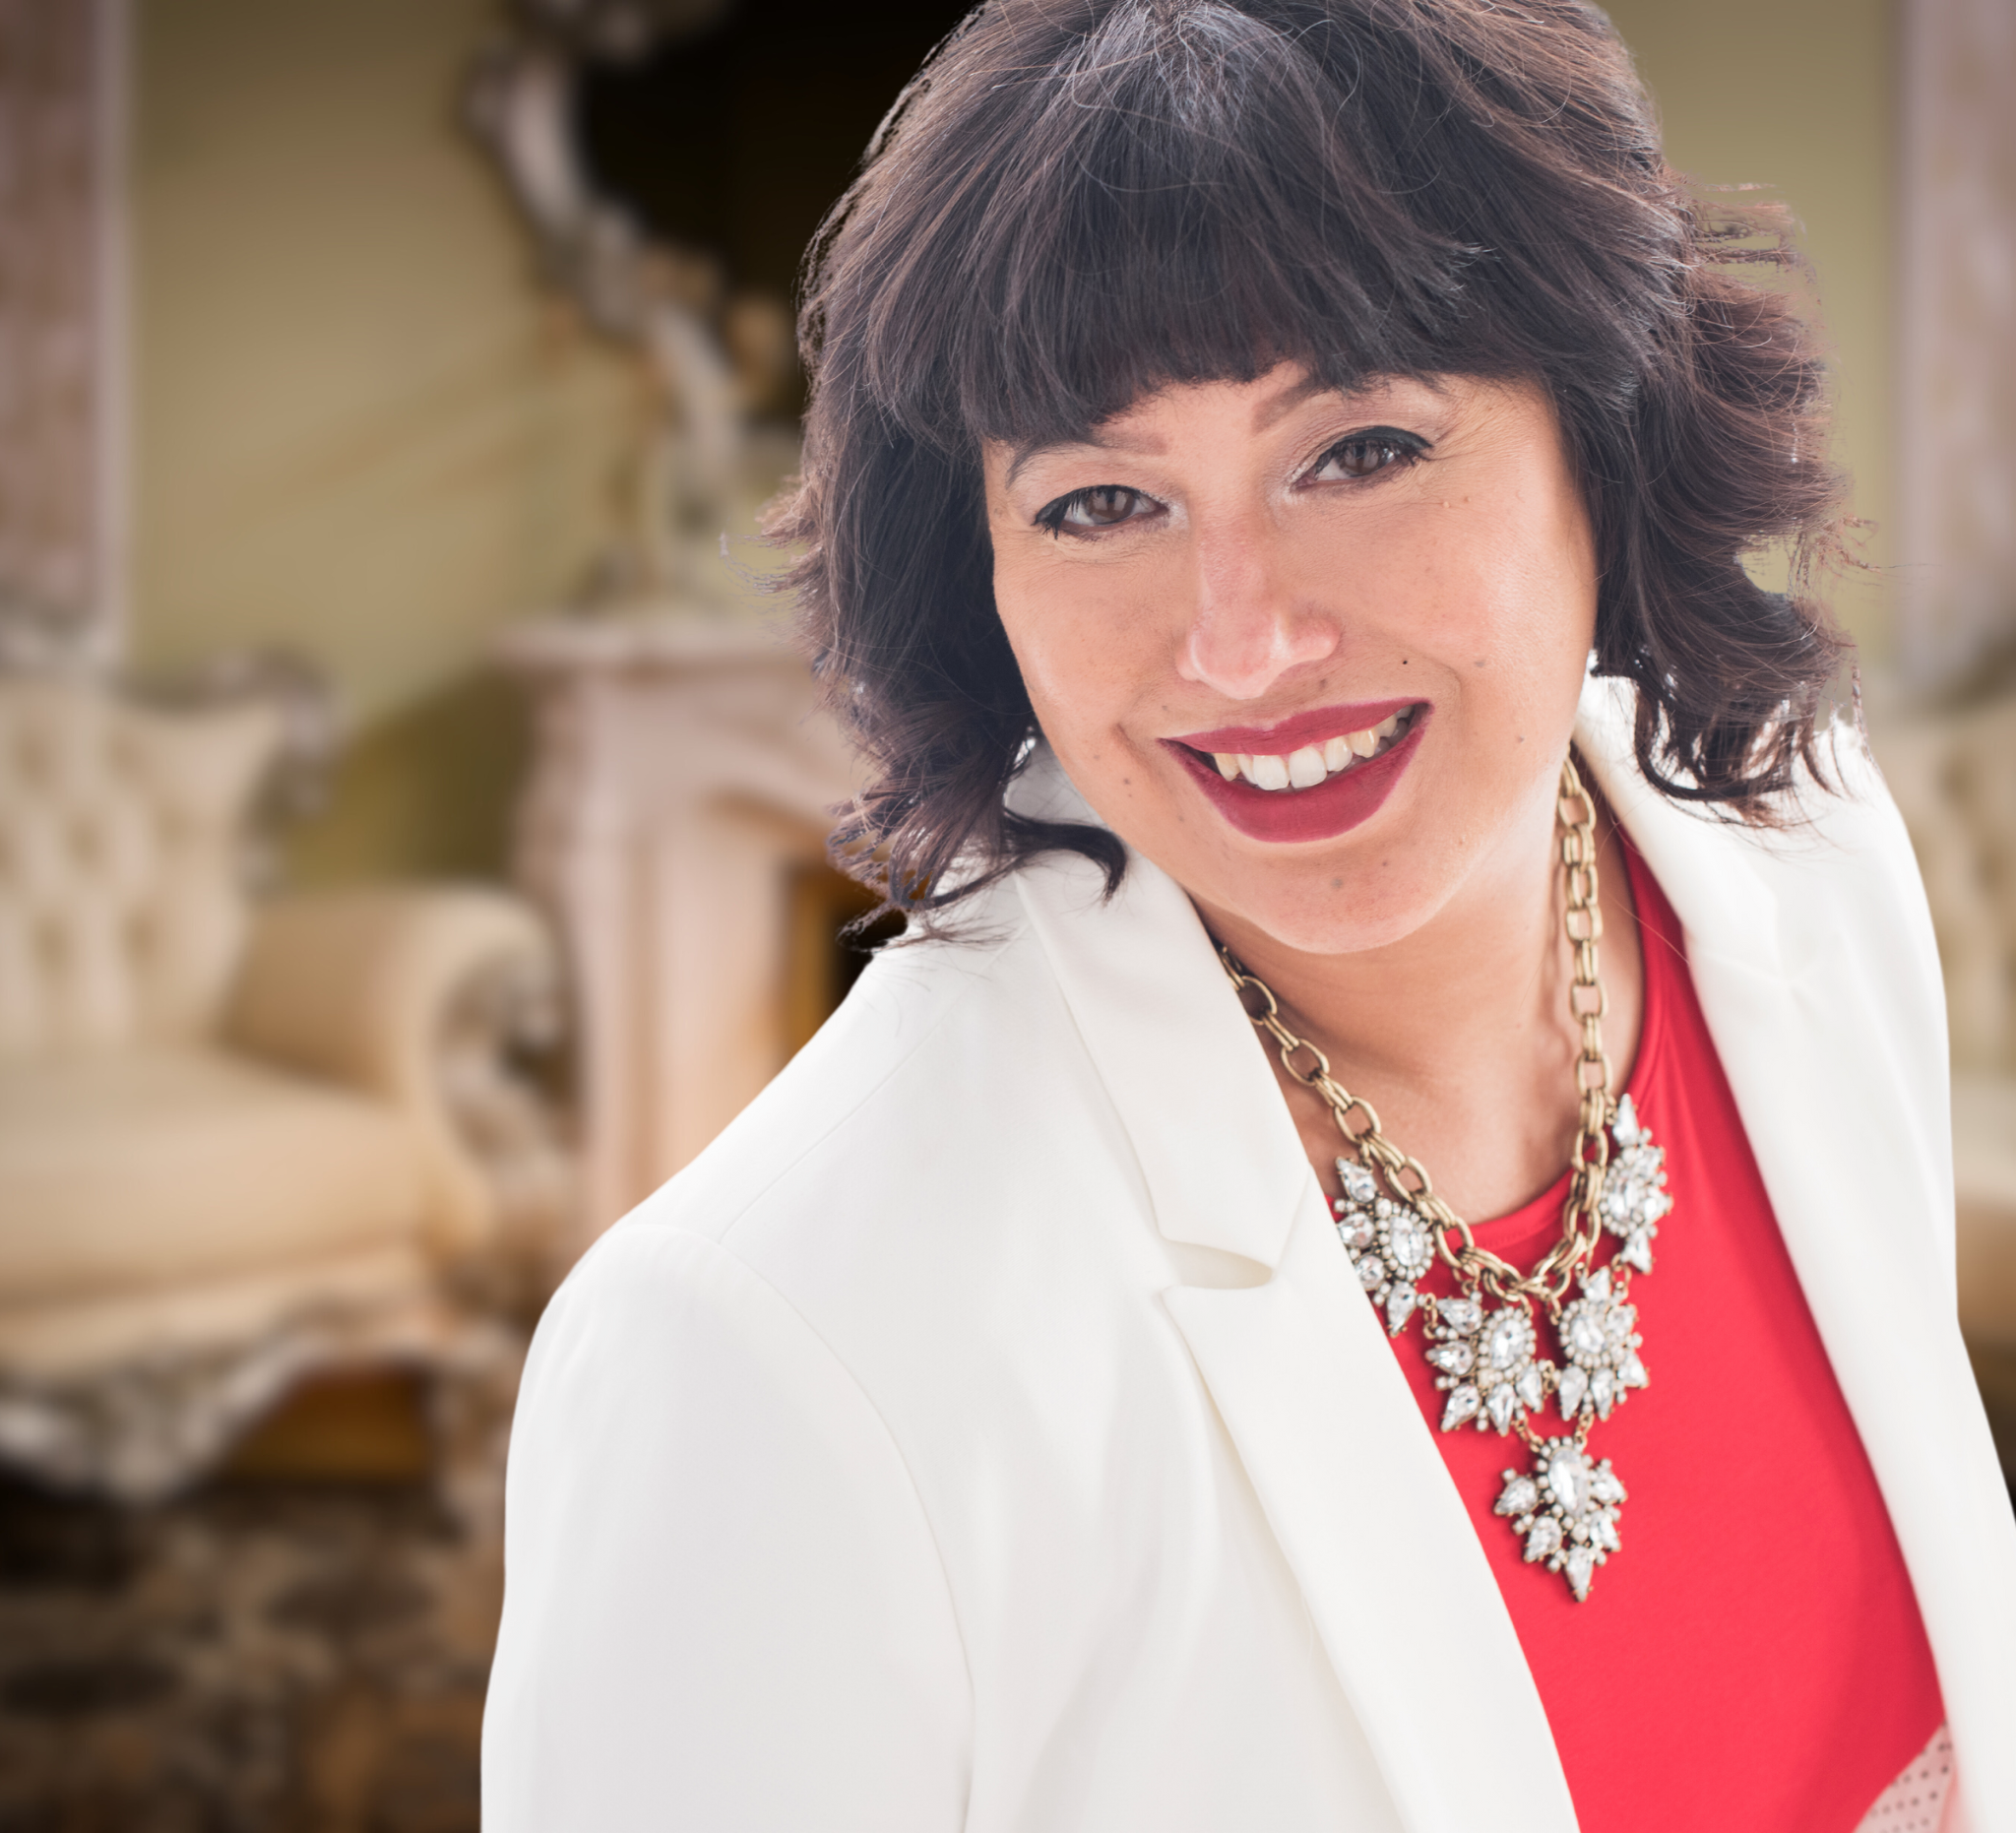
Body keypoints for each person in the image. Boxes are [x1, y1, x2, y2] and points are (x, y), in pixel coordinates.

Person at [480, 3, 2016, 1828]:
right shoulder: (757, 1347)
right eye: (1102, 498)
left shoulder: (1807, 861)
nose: (1245, 643)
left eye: (1357, 450)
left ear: (1606, 431)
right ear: (976, 577)